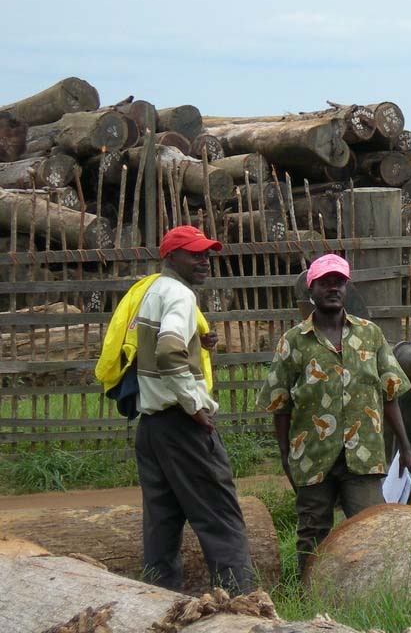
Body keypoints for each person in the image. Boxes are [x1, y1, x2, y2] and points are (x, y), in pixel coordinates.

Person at [259, 253, 411, 576]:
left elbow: (389, 394)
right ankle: (308, 594)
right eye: (325, 283)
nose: (333, 288)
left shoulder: (370, 335)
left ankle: (367, 593)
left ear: (346, 288)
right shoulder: (294, 342)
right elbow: (280, 405)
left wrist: (406, 448)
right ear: (311, 289)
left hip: (364, 454)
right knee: (312, 530)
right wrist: (286, 456)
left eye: (339, 283)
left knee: (369, 529)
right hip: (313, 455)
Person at [134, 225, 254, 594]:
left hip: (152, 427)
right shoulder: (181, 296)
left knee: (161, 527)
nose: (204, 262)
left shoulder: (151, 291)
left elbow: (156, 346)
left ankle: (157, 604)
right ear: (171, 256)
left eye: (206, 255)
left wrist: (197, 343)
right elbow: (169, 351)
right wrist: (193, 404)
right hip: (183, 425)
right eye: (194, 254)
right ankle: (241, 606)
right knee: (221, 519)